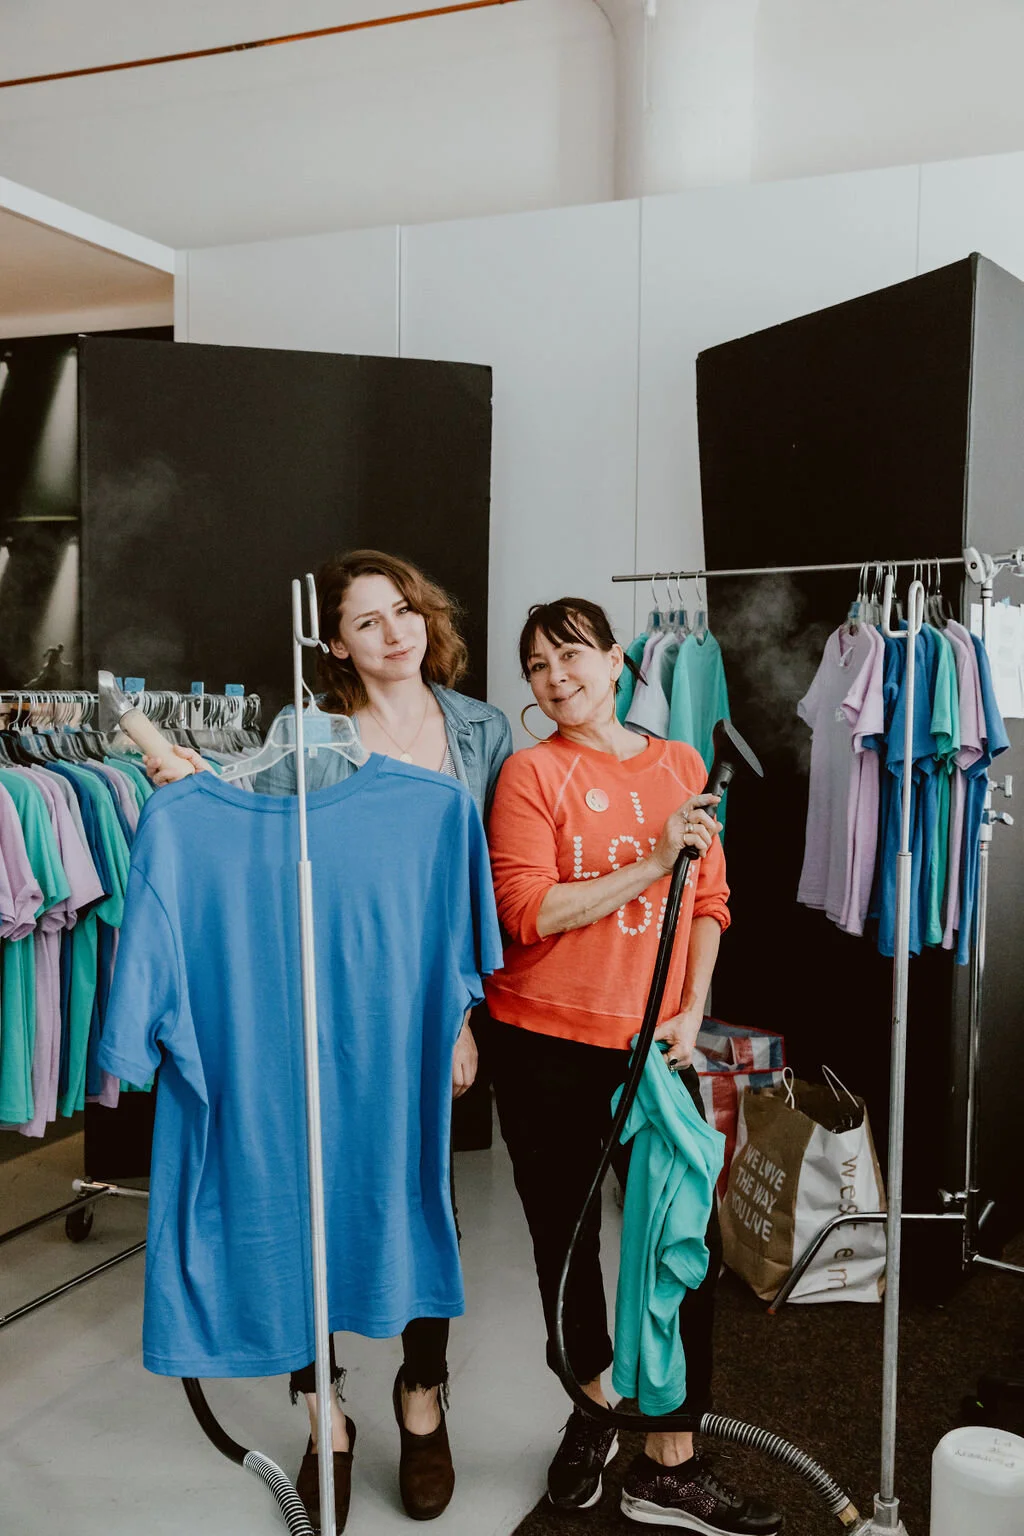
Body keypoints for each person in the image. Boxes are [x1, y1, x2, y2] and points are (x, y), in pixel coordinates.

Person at [146, 549, 512, 1532]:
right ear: (335, 642)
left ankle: (421, 1395)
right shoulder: (305, 732)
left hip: (422, 1003)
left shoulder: (479, 730)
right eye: (366, 621)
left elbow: (475, 884)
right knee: (311, 1193)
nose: (393, 633)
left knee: (416, 1192)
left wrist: (459, 1018)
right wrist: (188, 784)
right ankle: (326, 1414)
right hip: (316, 1002)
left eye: (402, 611)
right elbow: (252, 835)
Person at [484, 597, 781, 1535]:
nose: (555, 676)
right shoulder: (529, 775)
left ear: (617, 660)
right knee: (566, 1250)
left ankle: (669, 1461)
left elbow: (710, 899)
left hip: (654, 1048)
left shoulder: (683, 765)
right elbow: (530, 912)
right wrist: (655, 858)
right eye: (536, 666)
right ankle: (590, 1413)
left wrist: (693, 1008)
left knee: (674, 1247)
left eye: (571, 655)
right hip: (544, 1049)